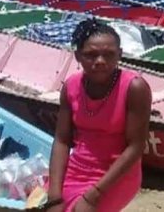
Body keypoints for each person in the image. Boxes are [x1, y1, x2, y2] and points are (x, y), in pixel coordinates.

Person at [46, 19, 151, 212]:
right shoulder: (71, 86)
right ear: (77, 56)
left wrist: (94, 195)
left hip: (118, 173)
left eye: (109, 55)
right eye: (91, 55)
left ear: (120, 54)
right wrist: (54, 195)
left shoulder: (135, 88)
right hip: (78, 169)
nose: (100, 61)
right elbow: (62, 140)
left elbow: (136, 147)